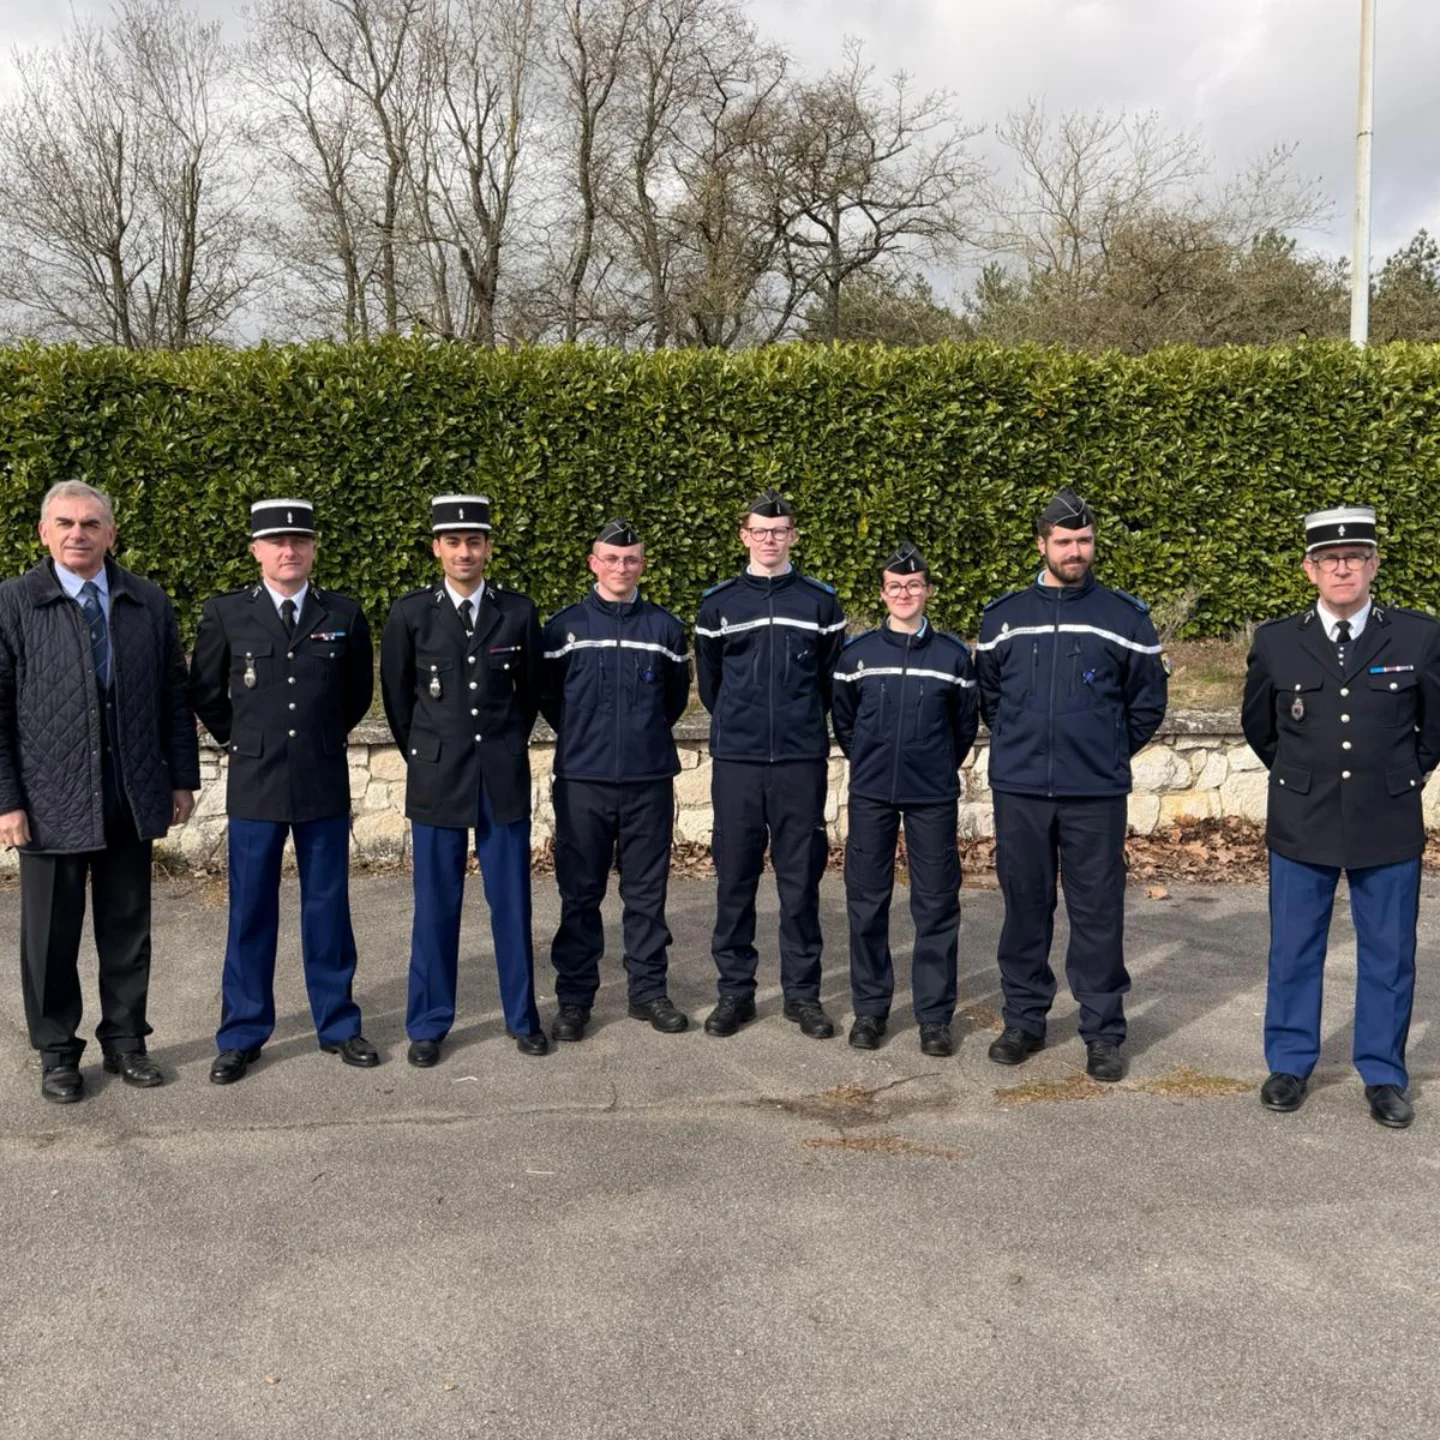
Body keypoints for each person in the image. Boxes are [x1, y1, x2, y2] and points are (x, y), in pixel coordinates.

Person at [0, 480, 199, 1104]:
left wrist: (181, 777)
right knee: (50, 936)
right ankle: (58, 1053)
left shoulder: (147, 601)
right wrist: (7, 799)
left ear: (111, 533)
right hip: (48, 797)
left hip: (129, 790)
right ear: (43, 533)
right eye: (65, 523)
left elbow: (174, 695)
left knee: (127, 926)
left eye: (90, 524)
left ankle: (125, 1043)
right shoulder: (13, 604)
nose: (77, 534)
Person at [1242, 504, 1440, 1129]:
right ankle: (1290, 1063)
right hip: (1304, 818)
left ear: (1374, 564)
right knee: (1295, 949)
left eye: (1355, 557)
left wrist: (1403, 775)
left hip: (1387, 815)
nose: (1343, 568)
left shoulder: (1417, 635)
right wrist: (1303, 775)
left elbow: (1433, 727)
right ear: (1309, 570)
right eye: (1330, 559)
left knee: (1388, 953)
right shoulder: (1277, 641)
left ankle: (1382, 1073)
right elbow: (1260, 729)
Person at [975, 487, 1167, 1082]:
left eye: (1084, 540)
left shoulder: (1124, 617)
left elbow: (1147, 703)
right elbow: (991, 699)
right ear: (1042, 544)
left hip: (1094, 792)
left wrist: (1104, 747)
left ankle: (1103, 1030)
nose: (1075, 550)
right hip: (1022, 789)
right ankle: (1024, 1020)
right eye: (1064, 541)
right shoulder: (1003, 617)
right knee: (1025, 909)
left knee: (1097, 913)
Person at [188, 499, 378, 1085]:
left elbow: (352, 698)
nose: (288, 551)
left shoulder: (342, 612)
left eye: (299, 541)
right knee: (249, 912)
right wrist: (245, 740)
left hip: (320, 779)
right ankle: (242, 1033)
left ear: (313, 547)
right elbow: (207, 692)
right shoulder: (226, 614)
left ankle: (339, 1024)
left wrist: (316, 740)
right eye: (275, 542)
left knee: (327, 908)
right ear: (256, 550)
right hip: (256, 781)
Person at [380, 494, 548, 1063]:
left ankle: (522, 1017)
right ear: (437, 548)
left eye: (474, 541)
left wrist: (499, 748)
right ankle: (428, 1025)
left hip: (500, 777)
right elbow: (399, 703)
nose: (465, 552)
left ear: (488, 547)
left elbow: (530, 699)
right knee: (435, 906)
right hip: (437, 777)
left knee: (512, 903)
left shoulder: (518, 612)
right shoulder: (410, 614)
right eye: (453, 542)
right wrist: (429, 754)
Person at [694, 488, 847, 1039]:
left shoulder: (820, 604)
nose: (769, 539)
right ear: (744, 535)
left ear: (793, 537)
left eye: (779, 531)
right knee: (734, 879)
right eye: (760, 530)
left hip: (799, 761)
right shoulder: (719, 605)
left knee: (799, 882)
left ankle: (802, 994)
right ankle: (735, 992)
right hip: (737, 760)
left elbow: (830, 682)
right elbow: (711, 685)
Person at [540, 519, 691, 1041]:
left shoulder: (666, 629)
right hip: (583, 779)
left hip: (649, 778)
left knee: (647, 894)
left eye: (630, 559)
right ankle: (575, 999)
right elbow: (551, 698)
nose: (620, 567)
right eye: (610, 558)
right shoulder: (563, 628)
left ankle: (648, 993)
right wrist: (588, 740)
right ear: (593, 563)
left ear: (641, 564)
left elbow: (672, 700)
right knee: (580, 894)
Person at [831, 543, 978, 1055]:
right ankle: (870, 1010)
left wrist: (934, 762)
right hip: (871, 791)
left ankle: (934, 1017)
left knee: (936, 905)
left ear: (928, 591)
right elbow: (845, 723)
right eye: (895, 586)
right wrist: (871, 760)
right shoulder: (857, 655)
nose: (905, 593)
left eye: (914, 585)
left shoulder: (954, 656)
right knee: (867, 903)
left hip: (932, 794)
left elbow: (963, 728)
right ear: (882, 593)